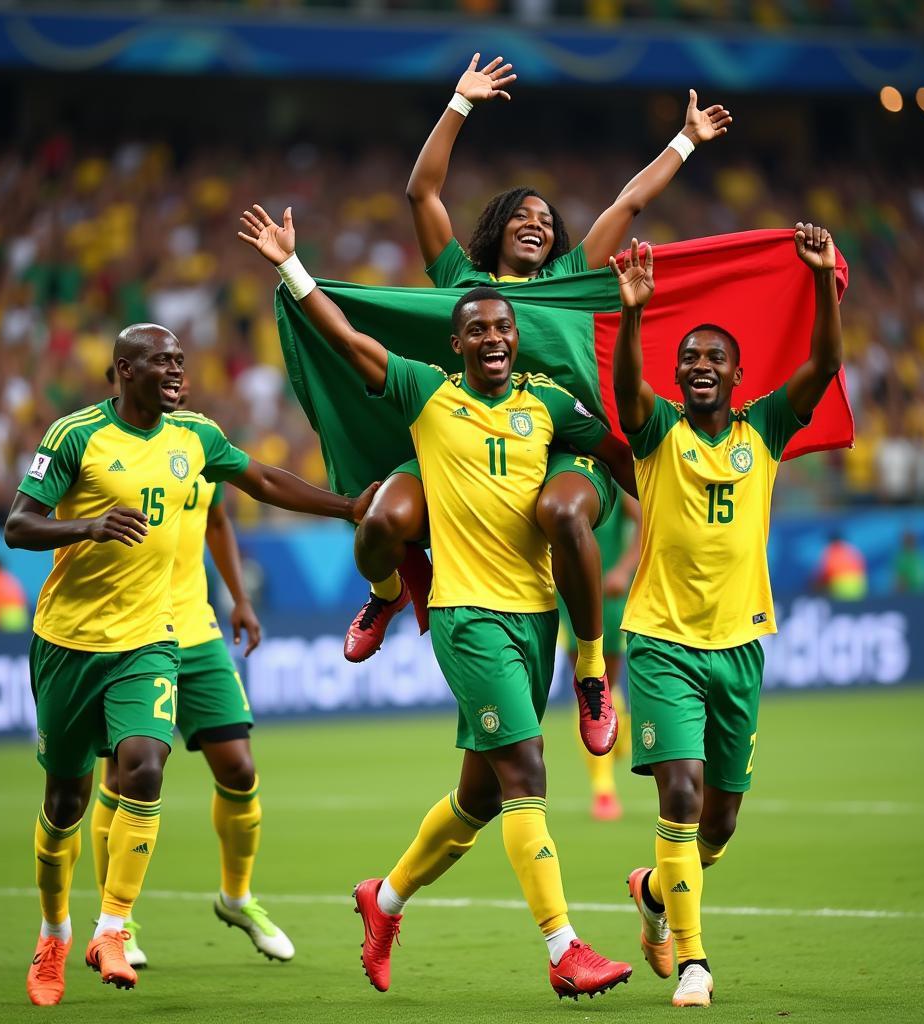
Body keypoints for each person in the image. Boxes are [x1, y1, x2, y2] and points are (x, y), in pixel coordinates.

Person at [239, 203, 633, 1001]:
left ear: (516, 337)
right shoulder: (427, 393)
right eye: (478, 330)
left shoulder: (550, 404)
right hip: (467, 616)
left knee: (480, 796)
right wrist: (291, 264)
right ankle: (563, 948)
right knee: (527, 772)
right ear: (455, 344)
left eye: (502, 329)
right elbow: (350, 344)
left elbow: (625, 452)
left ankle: (382, 902)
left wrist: (665, 518)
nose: (493, 338)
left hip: (535, 616)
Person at [344, 52, 733, 760]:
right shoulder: (461, 282)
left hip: (567, 443)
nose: (537, 224)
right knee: (380, 520)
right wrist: (459, 103)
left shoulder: (574, 279)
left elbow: (629, 204)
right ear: (496, 227)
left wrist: (684, 140)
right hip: (463, 440)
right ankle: (391, 588)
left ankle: (589, 669)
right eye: (522, 215)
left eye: (546, 219)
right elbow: (422, 195)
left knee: (559, 513)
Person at [5, 323, 375, 1006]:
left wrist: (346, 507)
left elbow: (259, 479)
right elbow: (18, 525)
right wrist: (86, 525)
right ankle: (54, 932)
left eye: (180, 360)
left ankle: (114, 925)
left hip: (152, 637)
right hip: (68, 641)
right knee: (65, 800)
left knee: (145, 763)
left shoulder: (196, 437)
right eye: (161, 362)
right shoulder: (74, 436)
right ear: (123, 370)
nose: (177, 371)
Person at [609, 223, 842, 1007]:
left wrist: (817, 283)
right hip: (662, 642)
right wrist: (637, 314)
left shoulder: (765, 430)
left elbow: (827, 366)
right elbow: (627, 389)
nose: (699, 366)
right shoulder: (657, 434)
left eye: (715, 359)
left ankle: (653, 896)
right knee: (679, 793)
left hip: (739, 646)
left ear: (739, 376)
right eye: (690, 360)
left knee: (719, 826)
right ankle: (697, 959)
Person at [91, 375, 292, 971]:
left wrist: (240, 597)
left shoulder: (199, 444)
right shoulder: (105, 448)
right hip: (129, 631)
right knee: (122, 774)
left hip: (197, 629)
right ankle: (115, 925)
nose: (173, 383)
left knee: (239, 766)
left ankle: (237, 897)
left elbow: (219, 521)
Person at [561, 494, 641, 821]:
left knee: (611, 685)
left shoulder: (614, 473)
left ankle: (618, 739)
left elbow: (646, 522)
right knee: (588, 687)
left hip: (610, 590)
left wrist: (623, 569)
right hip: (566, 590)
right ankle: (604, 789)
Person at [814, 531, 867, 600]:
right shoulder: (852, 549)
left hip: (840, 587)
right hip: (860, 587)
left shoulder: (831, 550)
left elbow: (823, 573)